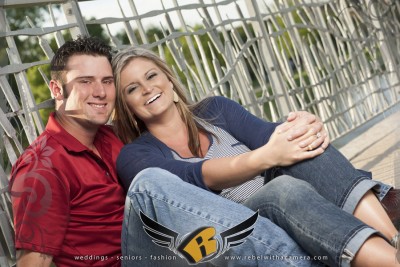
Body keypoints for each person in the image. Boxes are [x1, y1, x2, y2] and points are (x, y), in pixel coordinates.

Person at [111, 46, 400, 266]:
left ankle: (392, 239)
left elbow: (267, 134)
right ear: (127, 107)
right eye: (133, 89)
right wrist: (265, 157)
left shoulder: (215, 109)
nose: (147, 88)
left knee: (299, 145)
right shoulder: (135, 156)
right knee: (282, 188)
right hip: (238, 230)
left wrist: (302, 125)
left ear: (169, 81)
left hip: (296, 207)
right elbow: (195, 177)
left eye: (151, 76)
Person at [10, 36, 125, 266]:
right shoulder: (42, 167)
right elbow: (33, 263)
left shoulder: (112, 137)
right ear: (56, 89)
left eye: (107, 81)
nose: (101, 92)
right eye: (85, 81)